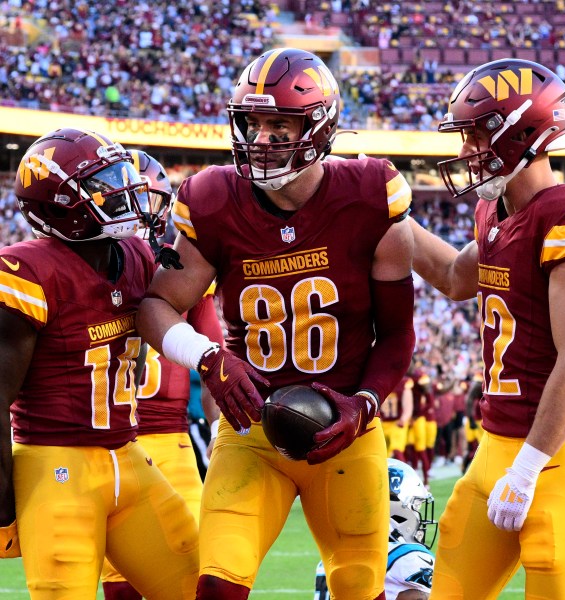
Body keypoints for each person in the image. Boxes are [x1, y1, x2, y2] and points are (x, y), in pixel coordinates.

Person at [136, 47, 416, 600]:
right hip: (251, 429)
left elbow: (399, 334)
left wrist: (364, 403)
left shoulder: (369, 195)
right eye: (253, 123)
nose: (262, 138)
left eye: (280, 124)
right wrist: (208, 358)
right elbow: (153, 305)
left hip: (346, 432)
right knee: (217, 585)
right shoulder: (213, 198)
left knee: (360, 588)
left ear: (319, 126)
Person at [409, 58, 565, 599]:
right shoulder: (496, 214)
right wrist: (392, 212)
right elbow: (451, 276)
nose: (466, 151)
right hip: (494, 444)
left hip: (560, 455)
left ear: (521, 134)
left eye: (476, 136)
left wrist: (527, 469)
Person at [0, 128, 199, 599]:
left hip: (130, 456)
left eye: (116, 174)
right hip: (56, 467)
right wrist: (4, 504)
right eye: (100, 183)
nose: (121, 189)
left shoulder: (133, 252)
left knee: (201, 589)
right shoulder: (26, 272)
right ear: (57, 206)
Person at [100, 150, 223, 600]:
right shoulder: (81, 270)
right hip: (107, 439)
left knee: (193, 575)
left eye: (141, 202)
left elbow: (215, 359)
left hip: (169, 437)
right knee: (121, 584)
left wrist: (218, 432)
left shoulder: (182, 274)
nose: (132, 216)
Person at [315, 458, 437, 600]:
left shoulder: (329, 560)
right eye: (416, 506)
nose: (418, 516)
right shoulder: (410, 558)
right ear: (396, 509)